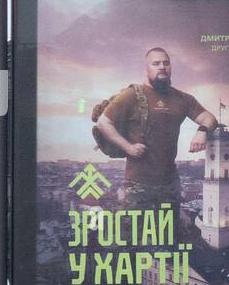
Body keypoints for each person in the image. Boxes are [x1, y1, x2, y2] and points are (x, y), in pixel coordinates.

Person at [93, 47, 219, 213]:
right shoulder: (131, 95)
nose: (162, 67)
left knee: (167, 236)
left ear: (170, 67)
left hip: (169, 184)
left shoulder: (182, 99)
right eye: (156, 63)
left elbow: (210, 118)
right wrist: (128, 147)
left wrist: (202, 131)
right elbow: (103, 123)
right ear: (146, 69)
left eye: (166, 63)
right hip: (138, 184)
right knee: (137, 236)